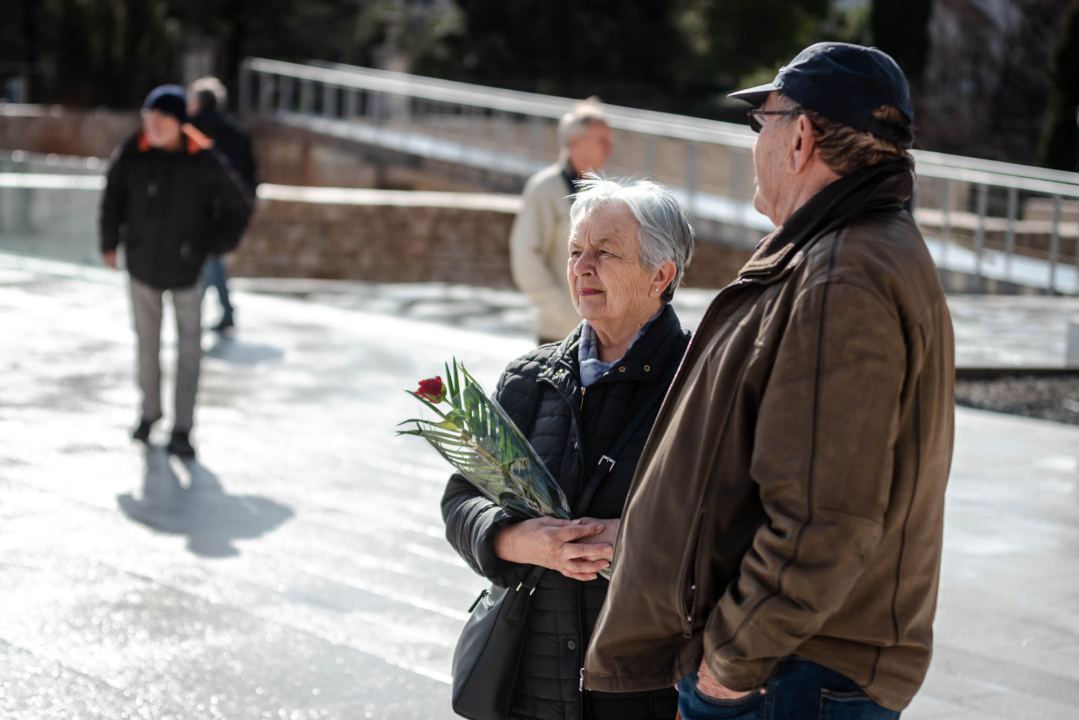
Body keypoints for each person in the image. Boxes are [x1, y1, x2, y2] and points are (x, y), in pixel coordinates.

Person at [582, 43, 956, 720]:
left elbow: (824, 518)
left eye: (762, 124)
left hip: (789, 677)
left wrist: (727, 666)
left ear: (801, 138)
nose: (754, 143)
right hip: (796, 666)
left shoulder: (841, 272)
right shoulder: (852, 250)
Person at [443, 176, 696, 720]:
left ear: (661, 274)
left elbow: (743, 525)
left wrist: (636, 543)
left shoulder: (705, 384)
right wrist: (520, 541)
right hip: (530, 689)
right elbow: (461, 500)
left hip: (649, 693)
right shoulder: (527, 379)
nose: (582, 267)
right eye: (576, 250)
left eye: (605, 252)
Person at [100, 85, 253, 458]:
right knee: (147, 346)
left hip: (187, 271)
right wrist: (109, 243)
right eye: (147, 117)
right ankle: (149, 412)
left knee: (189, 351)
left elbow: (239, 206)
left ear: (178, 121)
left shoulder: (203, 157)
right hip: (142, 267)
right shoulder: (133, 151)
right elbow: (112, 197)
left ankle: (183, 428)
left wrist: (210, 249)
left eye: (160, 118)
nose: (151, 124)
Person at [511, 98, 614, 344]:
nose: (610, 148)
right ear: (575, 141)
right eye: (603, 141)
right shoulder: (544, 188)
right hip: (559, 334)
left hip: (601, 334)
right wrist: (569, 313)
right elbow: (525, 260)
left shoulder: (604, 191)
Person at [187, 76, 260, 332]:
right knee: (213, 258)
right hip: (230, 208)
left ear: (197, 101)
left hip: (201, 208)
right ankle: (223, 310)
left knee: (209, 258)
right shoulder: (238, 133)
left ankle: (198, 311)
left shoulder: (191, 131)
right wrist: (247, 209)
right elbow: (252, 176)